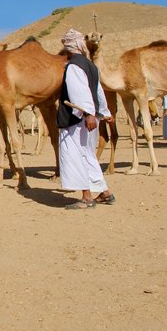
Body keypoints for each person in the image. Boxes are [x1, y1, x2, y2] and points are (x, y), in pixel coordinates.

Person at [57, 29, 115, 210]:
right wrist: (104, 113)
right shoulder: (90, 65)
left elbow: (80, 93)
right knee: (88, 155)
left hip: (78, 120)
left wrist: (89, 113)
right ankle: (104, 192)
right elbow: (98, 92)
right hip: (89, 119)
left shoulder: (74, 66)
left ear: (68, 47)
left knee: (77, 156)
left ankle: (87, 197)